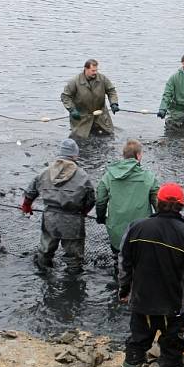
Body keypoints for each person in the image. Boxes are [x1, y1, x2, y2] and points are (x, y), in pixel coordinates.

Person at [119, 183, 184, 367]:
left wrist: (124, 289)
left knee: (137, 343)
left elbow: (124, 263)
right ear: (181, 207)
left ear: (157, 203)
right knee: (173, 349)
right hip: (175, 308)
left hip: (142, 302)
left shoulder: (136, 227)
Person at [22, 138, 95, 271]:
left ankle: (45, 276)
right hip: (73, 221)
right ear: (75, 155)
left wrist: (27, 204)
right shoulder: (82, 175)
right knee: (74, 258)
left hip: (50, 219)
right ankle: (73, 284)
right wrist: (84, 212)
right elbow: (91, 199)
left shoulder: (45, 172)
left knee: (45, 252)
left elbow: (31, 191)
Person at [95, 139, 159, 259]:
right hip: (142, 233)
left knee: (118, 259)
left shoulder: (108, 176)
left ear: (124, 155)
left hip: (116, 232)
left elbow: (100, 201)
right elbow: (158, 205)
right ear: (139, 156)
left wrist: (101, 218)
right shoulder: (149, 177)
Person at [60, 59, 118, 139]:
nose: (95, 73)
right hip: (82, 118)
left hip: (101, 117)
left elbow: (111, 91)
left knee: (107, 138)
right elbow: (65, 96)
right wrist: (72, 110)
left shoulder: (102, 79)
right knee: (80, 140)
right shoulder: (75, 81)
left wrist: (114, 103)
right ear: (86, 69)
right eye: (93, 70)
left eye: (96, 70)